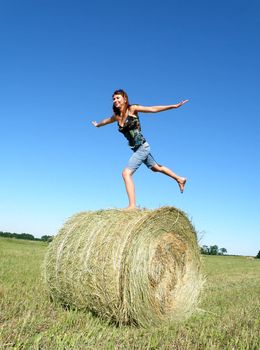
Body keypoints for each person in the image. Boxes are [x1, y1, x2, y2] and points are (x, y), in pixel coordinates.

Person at [92, 89, 188, 209]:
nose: (115, 100)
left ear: (125, 99)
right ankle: (180, 179)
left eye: (118, 98)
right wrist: (98, 125)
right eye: (114, 99)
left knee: (126, 173)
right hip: (136, 149)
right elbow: (106, 121)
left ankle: (132, 206)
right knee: (155, 168)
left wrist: (173, 106)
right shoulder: (117, 117)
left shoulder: (132, 109)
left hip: (142, 147)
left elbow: (153, 109)